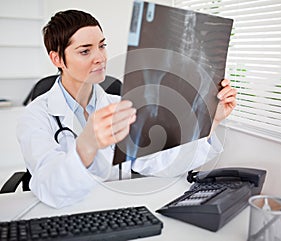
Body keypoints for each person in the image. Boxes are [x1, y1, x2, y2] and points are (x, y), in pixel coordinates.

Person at [17, 9, 237, 208]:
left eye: (102, 46)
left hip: (116, 208)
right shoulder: (36, 116)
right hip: (65, 214)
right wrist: (87, 144)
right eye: (85, 51)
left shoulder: (119, 105)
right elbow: (49, 186)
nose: (100, 58)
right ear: (57, 58)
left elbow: (160, 163)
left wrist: (211, 120)